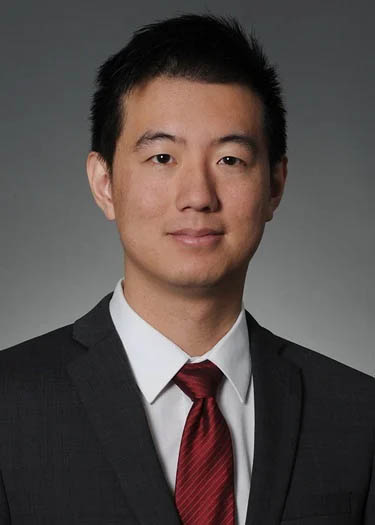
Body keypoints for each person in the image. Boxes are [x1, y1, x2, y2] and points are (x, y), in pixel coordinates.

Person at [0, 13, 374, 525]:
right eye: (161, 158)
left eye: (230, 160)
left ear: (275, 185)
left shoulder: (358, 415)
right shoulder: (9, 404)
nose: (197, 196)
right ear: (104, 182)